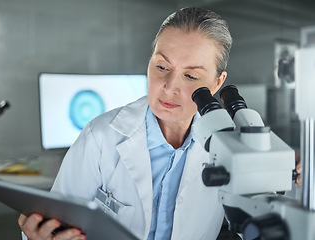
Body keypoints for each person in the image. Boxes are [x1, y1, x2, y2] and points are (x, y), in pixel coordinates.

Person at [18, 7, 232, 240]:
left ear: (216, 83)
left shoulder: (230, 149)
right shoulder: (100, 136)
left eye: (191, 76)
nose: (169, 87)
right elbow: (56, 224)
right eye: (162, 67)